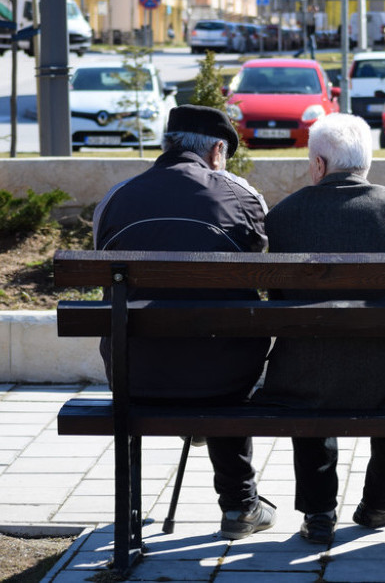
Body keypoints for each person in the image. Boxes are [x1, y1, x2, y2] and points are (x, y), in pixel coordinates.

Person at [258, 113, 385, 545]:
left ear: (318, 164)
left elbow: (276, 297)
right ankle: (383, 502)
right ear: (366, 163)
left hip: (303, 374)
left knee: (310, 379)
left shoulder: (283, 217)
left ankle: (317, 512)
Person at [92, 105, 276, 541]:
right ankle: (239, 505)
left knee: (201, 350)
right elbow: (262, 260)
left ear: (169, 144)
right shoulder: (241, 195)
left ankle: (131, 514)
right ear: (216, 150)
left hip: (135, 370)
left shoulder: (115, 198)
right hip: (223, 373)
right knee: (225, 350)